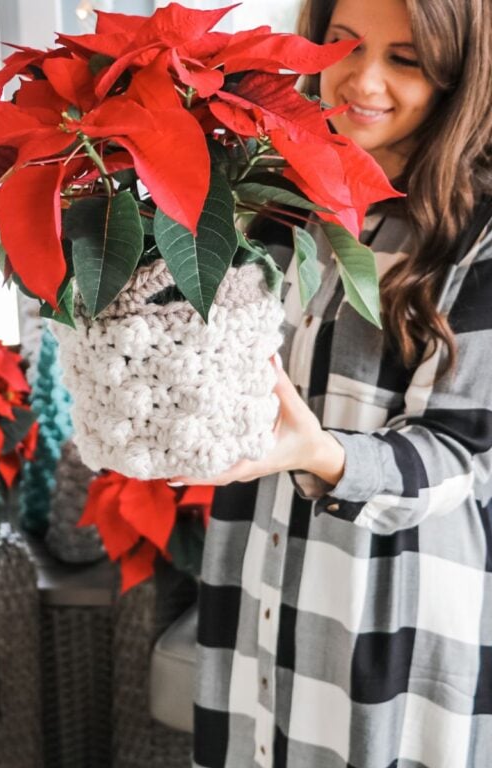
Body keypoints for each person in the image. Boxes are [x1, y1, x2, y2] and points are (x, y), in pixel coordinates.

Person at [174, 0, 492, 765]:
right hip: (255, 563)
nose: (362, 79)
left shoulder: (476, 231)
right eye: (342, 45)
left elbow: (468, 455)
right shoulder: (267, 192)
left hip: (389, 600)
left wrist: (323, 455)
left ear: (459, 75)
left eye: (406, 60)